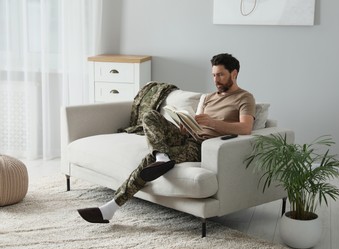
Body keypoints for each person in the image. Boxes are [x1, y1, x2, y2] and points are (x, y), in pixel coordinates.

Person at [77, 53, 256, 223]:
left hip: (204, 146)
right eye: (213, 75)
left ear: (234, 73)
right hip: (189, 137)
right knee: (150, 116)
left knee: (149, 160)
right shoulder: (208, 98)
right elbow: (198, 123)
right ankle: (161, 156)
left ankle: (110, 208)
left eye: (221, 75)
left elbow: (245, 128)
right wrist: (186, 126)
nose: (216, 80)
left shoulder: (244, 98)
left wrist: (212, 122)